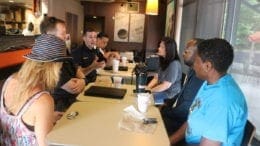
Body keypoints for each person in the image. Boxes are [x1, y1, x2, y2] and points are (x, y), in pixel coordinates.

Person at [0, 34, 69, 145]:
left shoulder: (9, 80)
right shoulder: (43, 100)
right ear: (55, 66)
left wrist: (47, 117)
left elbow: (20, 122)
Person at [186, 38, 248, 145]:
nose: (193, 65)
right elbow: (192, 119)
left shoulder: (222, 102)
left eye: (195, 61)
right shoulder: (210, 83)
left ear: (207, 66)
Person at [160, 38, 204, 145]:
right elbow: (181, 95)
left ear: (198, 55)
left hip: (182, 124)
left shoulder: (200, 77)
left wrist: (166, 111)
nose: (183, 53)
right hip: (178, 117)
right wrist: (165, 105)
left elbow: (185, 110)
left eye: (187, 50)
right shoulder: (192, 70)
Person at [40, 16, 85, 112]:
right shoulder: (49, 60)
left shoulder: (64, 51)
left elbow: (78, 72)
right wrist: (81, 81)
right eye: (62, 34)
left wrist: (83, 81)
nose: (66, 36)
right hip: (58, 107)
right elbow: (73, 88)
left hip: (75, 100)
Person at [147, 37, 182, 105]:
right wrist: (147, 88)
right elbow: (156, 78)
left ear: (168, 50)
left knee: (147, 98)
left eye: (162, 47)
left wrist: (150, 91)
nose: (159, 48)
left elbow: (165, 86)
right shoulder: (162, 60)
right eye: (159, 46)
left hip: (170, 94)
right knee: (143, 96)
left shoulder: (174, 64)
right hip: (163, 90)